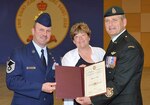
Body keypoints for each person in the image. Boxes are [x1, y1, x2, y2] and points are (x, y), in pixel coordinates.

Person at [75, 6, 144, 105]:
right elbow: (109, 67)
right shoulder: (116, 43)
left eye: (114, 20)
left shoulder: (130, 48)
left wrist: (93, 99)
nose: (110, 24)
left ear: (124, 22)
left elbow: (118, 83)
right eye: (107, 21)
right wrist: (88, 69)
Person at [6, 12, 57, 105]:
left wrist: (77, 73)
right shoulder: (18, 53)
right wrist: (40, 87)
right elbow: (11, 81)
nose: (45, 34)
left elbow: (58, 79)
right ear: (33, 31)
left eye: (48, 30)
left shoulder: (53, 56)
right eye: (41, 30)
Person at [61, 22, 106, 105]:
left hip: (98, 100)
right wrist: (78, 73)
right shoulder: (68, 57)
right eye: (76, 36)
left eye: (83, 35)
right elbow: (67, 85)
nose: (80, 39)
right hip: (78, 101)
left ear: (89, 37)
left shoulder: (101, 52)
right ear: (74, 41)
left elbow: (107, 77)